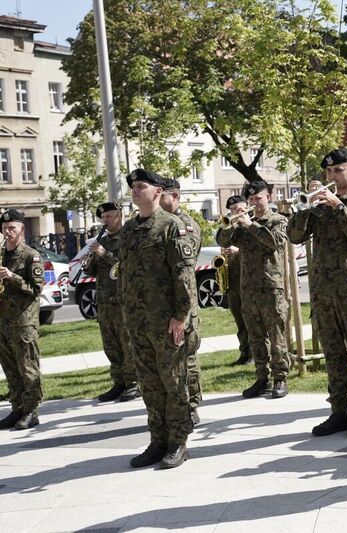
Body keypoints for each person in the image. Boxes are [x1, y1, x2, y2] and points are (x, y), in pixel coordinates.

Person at [288, 149, 347, 438]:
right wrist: (304, 208)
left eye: (339, 170)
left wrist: (339, 207)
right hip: (323, 293)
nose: (333, 176)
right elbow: (295, 236)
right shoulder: (318, 206)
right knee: (333, 354)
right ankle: (339, 411)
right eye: (329, 172)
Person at [119, 169, 200, 469]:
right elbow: (124, 276)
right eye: (133, 187)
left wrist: (180, 317)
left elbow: (184, 277)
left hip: (167, 322)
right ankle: (157, 440)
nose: (135, 191)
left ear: (157, 192)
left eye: (141, 186)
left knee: (174, 382)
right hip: (138, 322)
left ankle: (178, 442)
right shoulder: (128, 230)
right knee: (149, 383)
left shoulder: (172, 227)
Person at [219, 180, 290, 399]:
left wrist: (252, 225)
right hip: (248, 289)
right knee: (255, 336)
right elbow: (222, 239)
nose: (254, 202)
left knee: (276, 335)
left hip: (270, 287)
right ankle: (262, 378)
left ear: (268, 196)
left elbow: (275, 242)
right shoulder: (242, 223)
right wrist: (230, 224)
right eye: (250, 199)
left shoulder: (277, 220)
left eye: (258, 198)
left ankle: (281, 378)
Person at [84, 202, 139, 403]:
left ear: (119, 215)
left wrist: (103, 254)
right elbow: (92, 272)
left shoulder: (129, 237)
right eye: (103, 218)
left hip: (122, 300)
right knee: (111, 345)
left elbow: (126, 266)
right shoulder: (103, 240)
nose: (105, 221)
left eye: (109, 216)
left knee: (127, 344)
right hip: (104, 302)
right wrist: (90, 259)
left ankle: (134, 383)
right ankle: (119, 382)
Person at [160, 178, 203, 425]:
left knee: (187, 355)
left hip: (184, 302)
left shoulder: (185, 225)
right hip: (163, 303)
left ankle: (193, 404)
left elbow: (184, 264)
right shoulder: (159, 224)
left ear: (174, 196)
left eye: (162, 195)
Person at [0, 209, 44, 430]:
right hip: (3, 321)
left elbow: (36, 289)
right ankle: (17, 408)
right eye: (5, 228)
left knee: (28, 368)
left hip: (23, 321)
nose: (8, 232)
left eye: (12, 228)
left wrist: (12, 277)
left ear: (22, 230)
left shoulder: (30, 255)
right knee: (10, 368)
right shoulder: (0, 253)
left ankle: (31, 411)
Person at [217, 195, 252, 366]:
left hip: (249, 277)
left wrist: (238, 250)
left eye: (239, 209)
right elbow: (220, 239)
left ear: (246, 207)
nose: (236, 213)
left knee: (251, 319)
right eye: (232, 210)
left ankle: (254, 353)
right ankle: (244, 352)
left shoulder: (252, 224)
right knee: (239, 318)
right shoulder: (228, 225)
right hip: (232, 278)